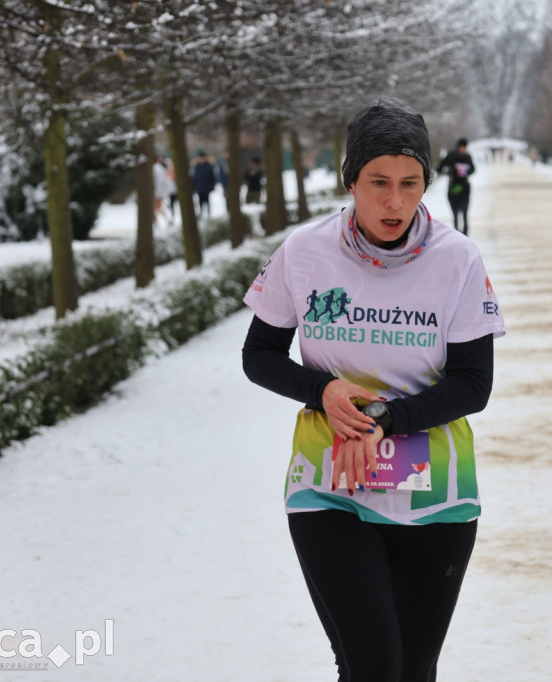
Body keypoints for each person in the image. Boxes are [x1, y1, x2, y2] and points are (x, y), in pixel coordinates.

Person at [241, 96, 505, 681]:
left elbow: (473, 384)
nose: (395, 201)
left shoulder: (457, 259)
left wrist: (387, 416)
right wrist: (323, 390)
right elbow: (259, 356)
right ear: (350, 181)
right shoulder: (305, 252)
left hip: (436, 493)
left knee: (413, 669)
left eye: (412, 183)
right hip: (329, 485)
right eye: (378, 182)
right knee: (372, 665)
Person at [436, 138, 475, 235]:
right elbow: (439, 168)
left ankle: (466, 236)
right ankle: (457, 235)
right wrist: (450, 172)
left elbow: (473, 169)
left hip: (465, 188)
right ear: (458, 147)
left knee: (465, 214)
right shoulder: (451, 156)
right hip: (453, 188)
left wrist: (465, 172)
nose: (463, 149)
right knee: (455, 214)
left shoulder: (467, 156)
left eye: (465, 147)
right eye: (462, 147)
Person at [192, 151, 216, 218]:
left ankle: (208, 214)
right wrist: (195, 187)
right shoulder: (197, 167)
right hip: (199, 188)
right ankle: (201, 214)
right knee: (200, 202)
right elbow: (195, 178)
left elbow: (212, 177)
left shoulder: (208, 166)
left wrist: (211, 186)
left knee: (207, 201)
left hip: (206, 188)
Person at [152, 154, 172, 228]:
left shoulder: (158, 168)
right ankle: (164, 220)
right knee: (157, 208)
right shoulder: (157, 168)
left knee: (156, 208)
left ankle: (157, 222)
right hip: (158, 191)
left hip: (158, 192)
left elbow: (163, 181)